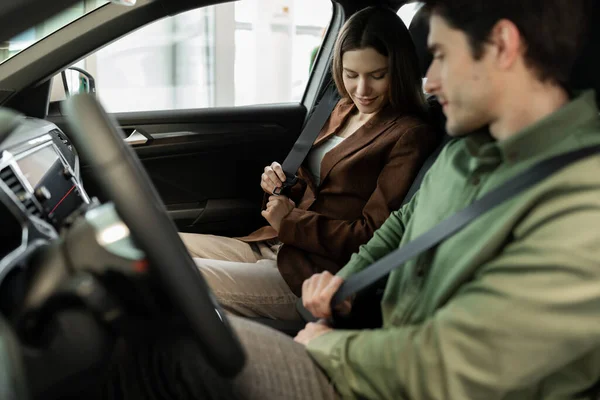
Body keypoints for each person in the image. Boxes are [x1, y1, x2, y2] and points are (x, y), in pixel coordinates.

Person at [97, 0, 600, 398]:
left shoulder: (583, 206)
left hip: (387, 376)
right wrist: (346, 279)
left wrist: (333, 346)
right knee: (152, 323)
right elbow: (400, 225)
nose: (430, 81)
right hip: (372, 348)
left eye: (441, 55)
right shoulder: (465, 151)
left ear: (503, 45)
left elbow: (451, 368)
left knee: (169, 351)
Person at [179, 6, 439, 320]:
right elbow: (314, 183)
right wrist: (279, 186)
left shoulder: (409, 134)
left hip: (312, 273)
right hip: (273, 244)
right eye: (350, 74)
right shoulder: (340, 108)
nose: (361, 90)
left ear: (398, 70)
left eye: (377, 76)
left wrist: (290, 222)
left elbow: (372, 237)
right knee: (161, 246)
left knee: (176, 277)